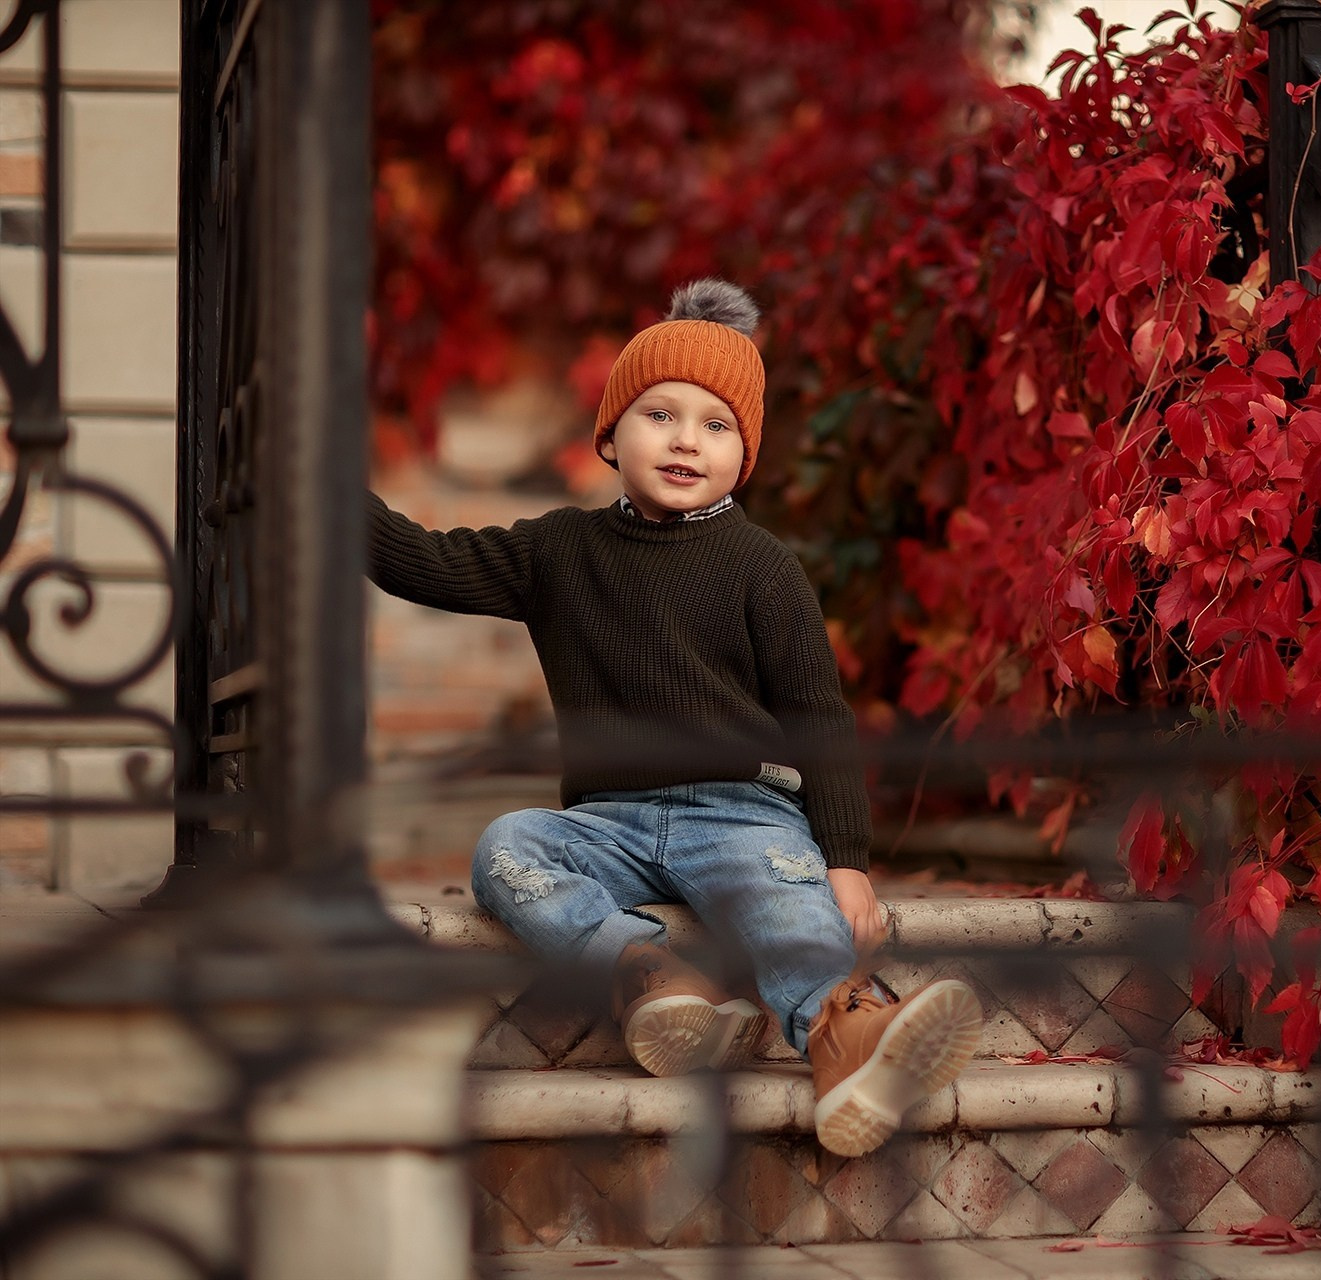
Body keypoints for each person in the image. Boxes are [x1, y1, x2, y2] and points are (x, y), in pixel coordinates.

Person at [366, 279, 982, 1157]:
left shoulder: (763, 568)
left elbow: (818, 714)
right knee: (508, 847)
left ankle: (849, 1035)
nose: (687, 439)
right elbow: (421, 562)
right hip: (608, 825)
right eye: (660, 415)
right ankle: (651, 977)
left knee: (785, 906)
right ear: (610, 434)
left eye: (716, 425)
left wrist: (846, 862)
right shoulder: (558, 551)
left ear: (744, 455)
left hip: (742, 814)